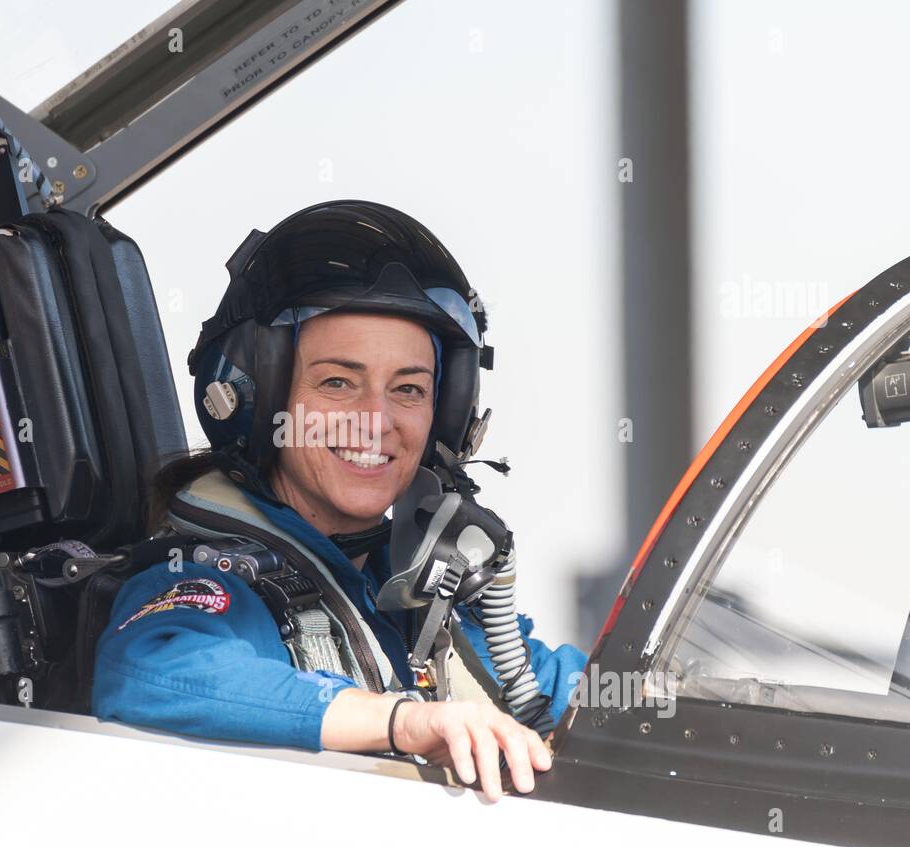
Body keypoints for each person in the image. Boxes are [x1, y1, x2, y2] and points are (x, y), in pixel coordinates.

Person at [91, 200, 586, 801]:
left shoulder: (415, 596)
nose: (376, 421)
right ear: (261, 395)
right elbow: (151, 669)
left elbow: (577, 692)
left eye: (408, 388)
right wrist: (404, 722)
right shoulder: (219, 581)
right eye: (337, 383)